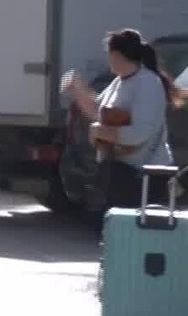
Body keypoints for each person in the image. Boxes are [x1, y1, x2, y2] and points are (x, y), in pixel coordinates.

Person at [62, 29, 181, 215]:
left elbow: (138, 133)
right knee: (110, 233)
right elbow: (97, 111)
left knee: (134, 237)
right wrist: (77, 90)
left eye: (109, 54)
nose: (108, 59)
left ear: (117, 55)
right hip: (119, 172)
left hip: (144, 177)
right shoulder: (120, 81)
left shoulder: (149, 84)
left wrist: (99, 131)